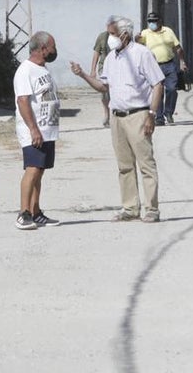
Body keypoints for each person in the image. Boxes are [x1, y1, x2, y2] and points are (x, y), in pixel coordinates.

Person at [70, 16, 165, 223]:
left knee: (146, 164)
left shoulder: (142, 54)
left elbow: (158, 84)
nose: (109, 38)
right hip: (117, 117)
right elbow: (104, 87)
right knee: (124, 165)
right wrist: (84, 75)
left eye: (112, 34)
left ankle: (152, 209)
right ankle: (130, 208)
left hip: (138, 115)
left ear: (125, 34)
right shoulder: (112, 58)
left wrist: (151, 114)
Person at [12, 31, 62, 230]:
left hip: (47, 130)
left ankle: (36, 211)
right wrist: (33, 129)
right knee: (32, 169)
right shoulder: (26, 70)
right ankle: (23, 213)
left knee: (39, 171)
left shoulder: (42, 69)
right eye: (52, 47)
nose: (54, 51)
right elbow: (23, 100)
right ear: (42, 49)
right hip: (34, 131)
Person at [137, 10, 187, 126]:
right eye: (150, 21)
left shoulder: (168, 31)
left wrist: (182, 62)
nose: (152, 23)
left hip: (169, 65)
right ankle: (159, 117)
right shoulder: (145, 33)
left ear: (159, 21)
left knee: (172, 89)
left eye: (154, 21)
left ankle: (168, 112)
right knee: (157, 92)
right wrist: (136, 38)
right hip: (154, 66)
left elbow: (178, 48)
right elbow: (138, 44)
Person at [90, 16, 113, 128]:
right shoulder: (102, 37)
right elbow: (96, 53)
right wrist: (93, 70)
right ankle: (107, 114)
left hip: (117, 67)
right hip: (104, 67)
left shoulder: (121, 36)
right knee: (105, 93)